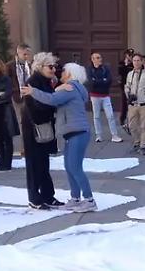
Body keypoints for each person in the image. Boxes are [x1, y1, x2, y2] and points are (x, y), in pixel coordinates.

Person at [22, 62, 96, 211]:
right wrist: (57, 88)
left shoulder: (70, 88)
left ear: (69, 74)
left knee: (75, 168)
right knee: (69, 167)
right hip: (73, 133)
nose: (59, 72)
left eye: (63, 71)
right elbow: (56, 96)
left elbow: (52, 100)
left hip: (77, 133)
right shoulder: (73, 87)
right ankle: (75, 198)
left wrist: (33, 91)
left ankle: (89, 200)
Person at [21, 52, 62, 210]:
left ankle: (47, 195)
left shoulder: (46, 81)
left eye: (54, 66)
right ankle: (34, 198)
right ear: (40, 67)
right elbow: (35, 106)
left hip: (44, 126)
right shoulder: (32, 82)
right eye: (50, 66)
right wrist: (53, 104)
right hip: (34, 128)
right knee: (34, 164)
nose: (53, 69)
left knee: (44, 163)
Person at [85, 51, 122, 144]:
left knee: (110, 115)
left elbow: (109, 80)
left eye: (100, 57)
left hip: (105, 95)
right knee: (96, 116)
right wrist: (102, 80)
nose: (100, 59)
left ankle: (114, 135)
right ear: (92, 59)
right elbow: (91, 82)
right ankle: (98, 135)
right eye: (97, 58)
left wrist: (98, 81)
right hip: (95, 96)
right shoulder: (89, 69)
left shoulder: (105, 68)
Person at [124, 52, 145, 155]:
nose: (136, 62)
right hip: (133, 105)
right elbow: (127, 86)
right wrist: (128, 94)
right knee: (132, 126)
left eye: (138, 60)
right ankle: (136, 143)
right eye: (134, 61)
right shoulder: (130, 74)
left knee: (144, 126)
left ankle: (143, 146)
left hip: (144, 104)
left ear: (142, 61)